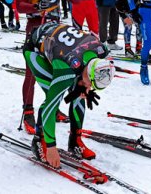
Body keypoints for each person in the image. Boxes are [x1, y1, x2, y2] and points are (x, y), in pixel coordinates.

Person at [26, 22, 114, 166]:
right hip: (36, 50)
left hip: (60, 47)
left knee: (79, 94)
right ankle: (39, 140)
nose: (89, 87)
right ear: (88, 72)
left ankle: (75, 141)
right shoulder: (66, 69)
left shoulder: (101, 51)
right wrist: (51, 147)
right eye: (90, 83)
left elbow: (88, 77)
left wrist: (84, 86)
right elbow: (50, 106)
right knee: (53, 96)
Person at [15, 0, 81, 134]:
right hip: (35, 27)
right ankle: (28, 111)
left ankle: (52, 105)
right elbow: (19, 5)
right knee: (32, 72)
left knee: (54, 70)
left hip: (54, 29)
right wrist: (36, 7)